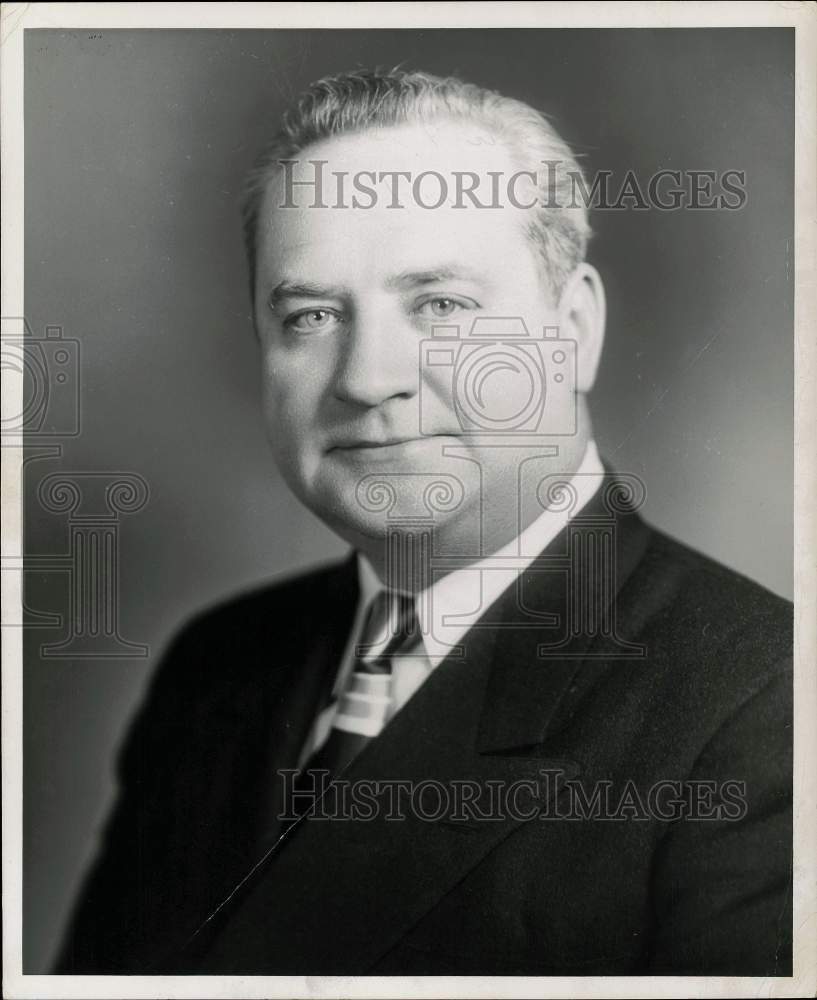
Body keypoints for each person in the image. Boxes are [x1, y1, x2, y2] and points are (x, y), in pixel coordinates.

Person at [55, 68, 791, 977]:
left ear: (573, 331)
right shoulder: (217, 667)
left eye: (440, 306)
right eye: (312, 315)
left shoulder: (766, 706)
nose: (367, 377)